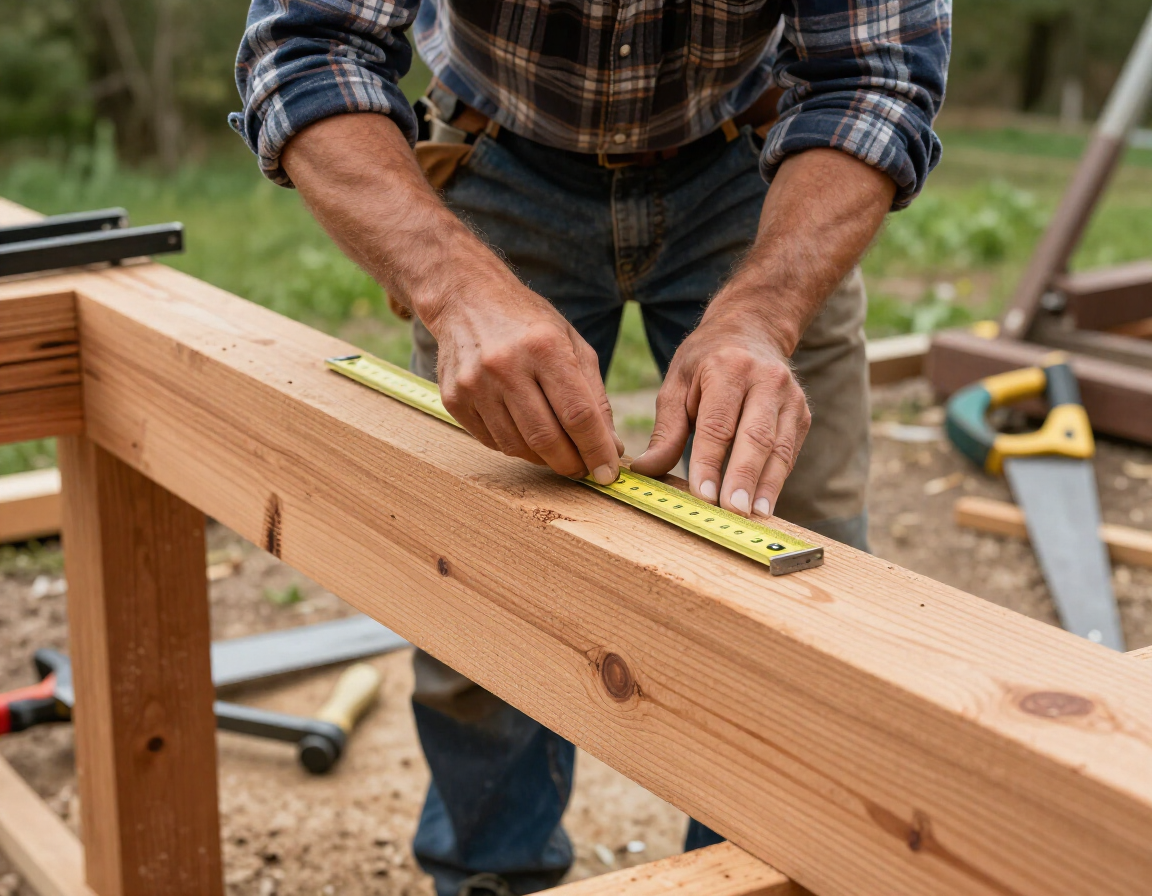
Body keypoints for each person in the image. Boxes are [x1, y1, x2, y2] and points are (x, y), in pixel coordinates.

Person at [232, 2, 950, 893]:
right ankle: (491, 875)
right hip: (498, 158)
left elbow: (876, 77)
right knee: (475, 586)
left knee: (809, 592)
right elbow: (309, 48)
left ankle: (765, 874)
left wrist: (762, 312)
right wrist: (456, 291)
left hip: (761, 171)